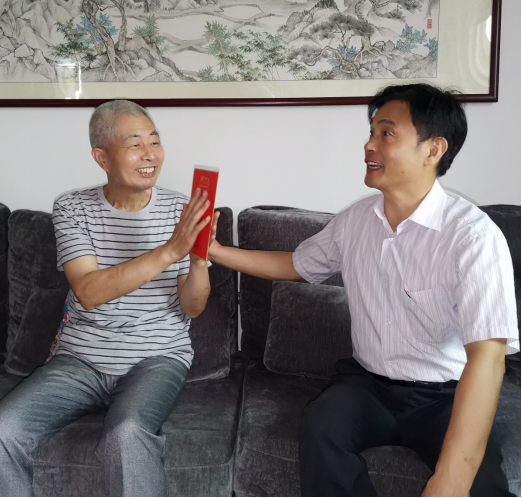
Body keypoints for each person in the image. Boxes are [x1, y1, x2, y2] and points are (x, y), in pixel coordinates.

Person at [208, 84, 519, 497]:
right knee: (321, 427)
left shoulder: (472, 237)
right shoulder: (355, 221)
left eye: (386, 133)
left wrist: (450, 481)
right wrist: (215, 251)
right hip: (367, 387)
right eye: (371, 132)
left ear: (433, 149)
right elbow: (295, 265)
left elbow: (488, 359)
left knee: (482, 485)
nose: (369, 145)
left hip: (444, 396)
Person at [0, 100, 213, 497]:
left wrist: (198, 258)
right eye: (134, 144)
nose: (150, 154)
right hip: (80, 359)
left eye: (155, 141)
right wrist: (172, 250)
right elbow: (89, 291)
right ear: (102, 157)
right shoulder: (73, 208)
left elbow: (193, 307)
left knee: (127, 434)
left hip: (156, 357)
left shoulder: (179, 210)